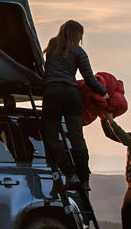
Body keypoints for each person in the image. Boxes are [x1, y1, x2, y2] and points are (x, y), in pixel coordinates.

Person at [41, 20, 107, 190]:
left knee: (51, 138)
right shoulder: (79, 52)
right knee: (77, 137)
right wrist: (104, 92)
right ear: (78, 35)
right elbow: (90, 79)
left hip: (52, 94)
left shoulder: (53, 45)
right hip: (71, 95)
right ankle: (84, 178)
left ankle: (70, 174)